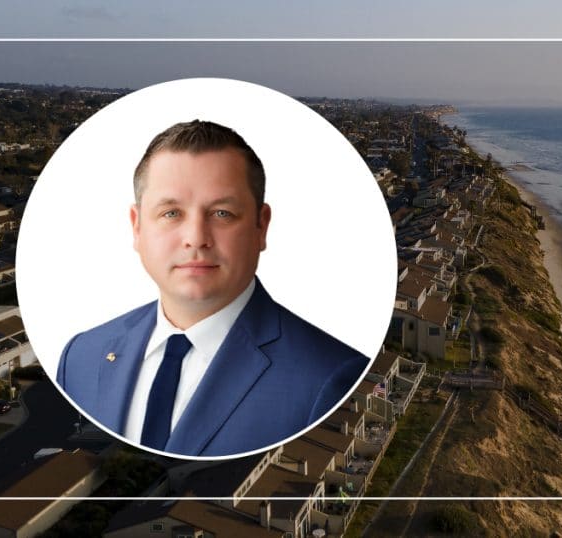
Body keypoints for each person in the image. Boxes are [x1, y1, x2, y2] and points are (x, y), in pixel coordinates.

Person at [56, 120, 369, 457]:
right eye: (171, 212)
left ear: (261, 226)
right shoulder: (81, 356)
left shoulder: (330, 378)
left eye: (222, 213)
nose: (196, 238)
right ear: (137, 227)